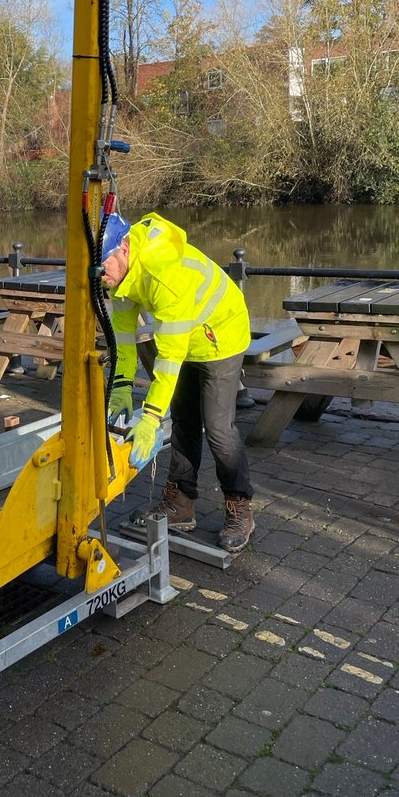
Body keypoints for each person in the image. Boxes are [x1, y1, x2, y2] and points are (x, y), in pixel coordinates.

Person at [101, 210, 256, 553]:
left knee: (217, 427)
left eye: (104, 264)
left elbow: (167, 361)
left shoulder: (164, 275)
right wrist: (122, 386)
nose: (101, 274)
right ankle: (181, 503)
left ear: (124, 248)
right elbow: (124, 340)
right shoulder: (119, 277)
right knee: (183, 420)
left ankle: (240, 505)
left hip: (221, 336)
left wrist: (151, 417)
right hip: (184, 336)